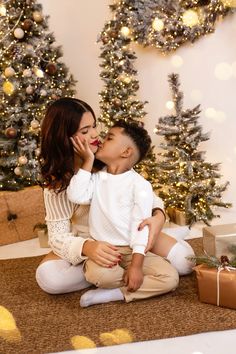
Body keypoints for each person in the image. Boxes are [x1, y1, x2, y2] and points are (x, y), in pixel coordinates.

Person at [35, 97, 194, 295]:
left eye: (94, 126)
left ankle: (116, 275)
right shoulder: (57, 182)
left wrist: (158, 217)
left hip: (129, 232)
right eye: (85, 131)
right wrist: (88, 247)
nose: (95, 135)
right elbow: (57, 237)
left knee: (186, 262)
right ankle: (112, 273)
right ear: (64, 137)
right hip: (92, 241)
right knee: (50, 280)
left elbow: (145, 193)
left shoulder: (106, 157)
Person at [67, 120, 179, 307]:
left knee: (170, 278)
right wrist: (88, 161)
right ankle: (121, 285)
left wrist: (136, 266)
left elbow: (141, 227)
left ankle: (114, 294)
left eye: (109, 138)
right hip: (104, 250)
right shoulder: (96, 177)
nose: (102, 139)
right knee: (101, 276)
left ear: (126, 152)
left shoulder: (140, 185)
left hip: (132, 250)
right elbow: (76, 195)